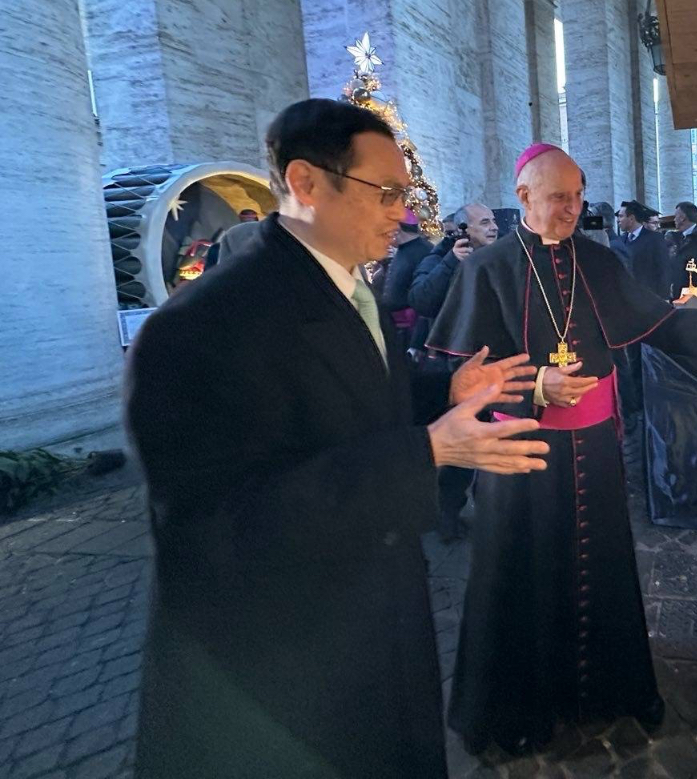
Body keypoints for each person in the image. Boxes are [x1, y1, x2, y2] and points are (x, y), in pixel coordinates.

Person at [124, 98, 549, 779]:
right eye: (385, 192)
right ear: (306, 182)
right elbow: (221, 523)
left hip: (374, 614)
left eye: (404, 195)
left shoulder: (346, 287)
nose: (401, 214)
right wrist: (428, 452)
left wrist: (445, 390)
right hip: (283, 672)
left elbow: (359, 394)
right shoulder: (200, 328)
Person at [427, 142, 697, 755]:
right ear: (524, 196)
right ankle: (520, 711)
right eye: (560, 197)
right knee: (520, 572)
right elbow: (463, 378)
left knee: (601, 564)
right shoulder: (487, 269)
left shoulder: (597, 258)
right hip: (518, 447)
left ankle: (609, 691)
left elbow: (652, 319)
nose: (574, 209)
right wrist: (538, 384)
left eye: (579, 196)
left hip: (594, 447)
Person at [407, 202, 500, 539]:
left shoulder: (499, 257)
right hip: (456, 371)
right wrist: (451, 262)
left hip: (495, 365)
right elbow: (420, 300)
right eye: (484, 222)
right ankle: (448, 515)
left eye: (493, 221)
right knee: (462, 449)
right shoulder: (439, 258)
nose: (493, 227)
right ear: (463, 230)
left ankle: (492, 511)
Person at [381, 207, 433, 343]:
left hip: (412, 327)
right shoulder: (402, 249)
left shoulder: (425, 251)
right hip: (397, 326)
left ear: (397, 227)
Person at [613, 200, 669, 299]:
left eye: (621, 216)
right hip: (625, 297)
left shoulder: (655, 239)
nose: (618, 220)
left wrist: (664, 297)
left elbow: (663, 269)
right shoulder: (620, 240)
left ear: (631, 218)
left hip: (648, 297)